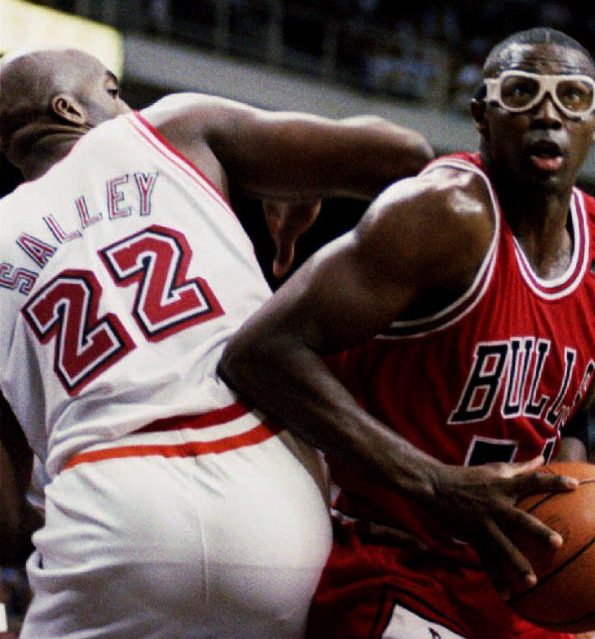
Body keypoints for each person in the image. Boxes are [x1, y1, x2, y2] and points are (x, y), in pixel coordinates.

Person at [219, 27, 595, 638]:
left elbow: (568, 418)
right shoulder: (441, 214)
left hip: (511, 574)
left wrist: (593, 511)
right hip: (392, 555)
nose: (548, 114)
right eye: (523, 92)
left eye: (572, 98)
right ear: (483, 114)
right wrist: (436, 484)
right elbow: (260, 353)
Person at [0, 47, 434, 638]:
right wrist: (303, 178)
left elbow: (3, 517)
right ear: (70, 107)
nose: (127, 104)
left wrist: (97, 529)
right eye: (114, 90)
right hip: (270, 491)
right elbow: (404, 154)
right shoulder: (171, 128)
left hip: (110, 501)